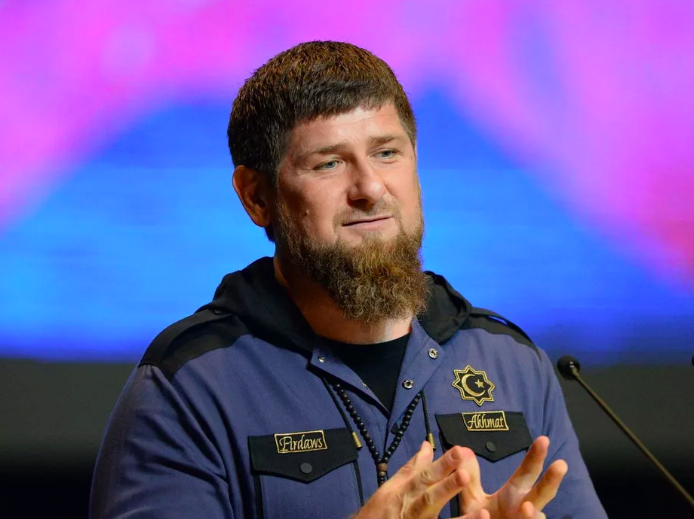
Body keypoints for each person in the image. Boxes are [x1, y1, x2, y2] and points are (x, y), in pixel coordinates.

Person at [90, 41, 607, 519]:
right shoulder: (188, 385)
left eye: (387, 153)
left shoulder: (512, 363)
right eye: (329, 163)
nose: (370, 188)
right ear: (256, 197)